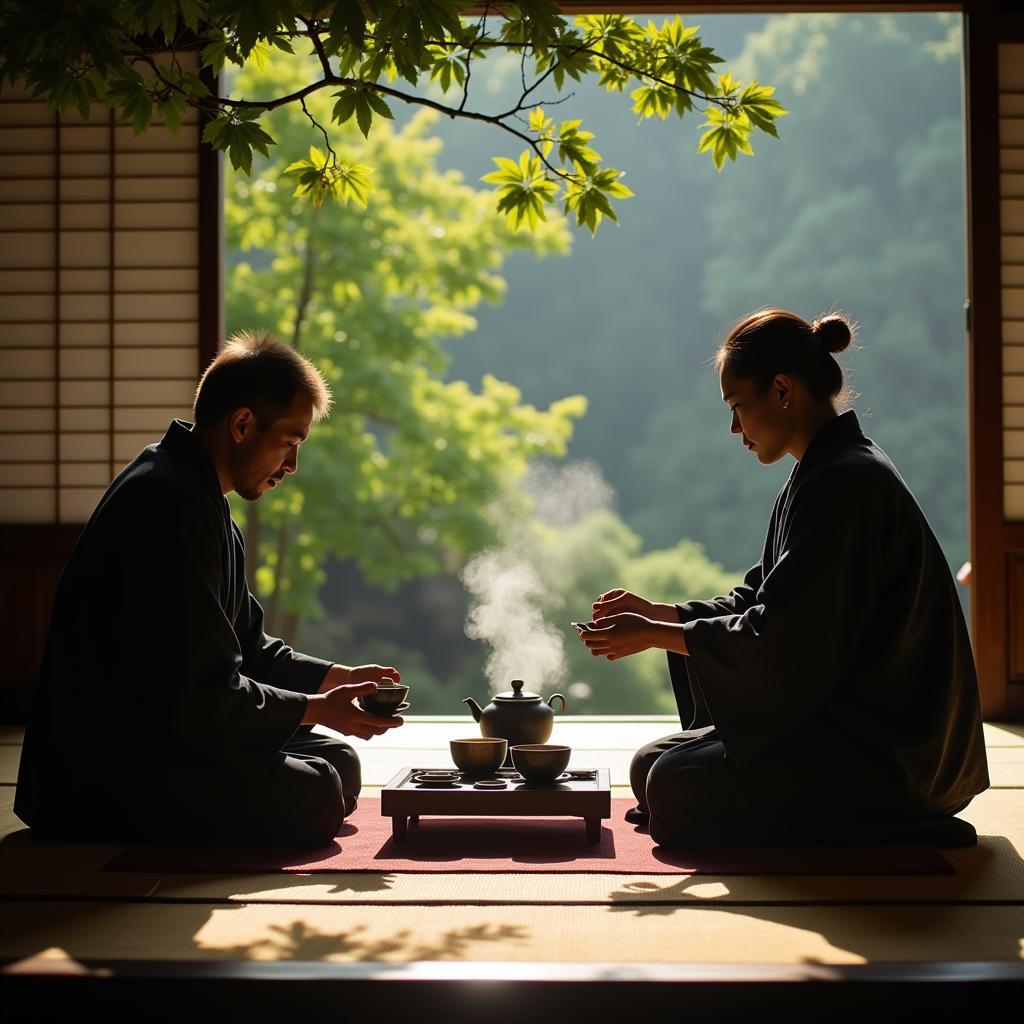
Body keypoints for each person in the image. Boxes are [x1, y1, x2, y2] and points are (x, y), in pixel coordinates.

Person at [577, 309, 989, 849]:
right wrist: (661, 615)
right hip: (846, 724)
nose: (734, 428)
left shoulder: (847, 481)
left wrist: (655, 636)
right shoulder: (822, 470)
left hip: (891, 751)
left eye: (736, 406)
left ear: (781, 390)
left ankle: (899, 820)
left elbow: (784, 640)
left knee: (674, 786)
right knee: (650, 767)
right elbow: (760, 599)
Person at [15, 330, 404, 848]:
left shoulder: (200, 495)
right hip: (104, 768)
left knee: (338, 762)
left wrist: (335, 679)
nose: (291, 467)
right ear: (243, 424)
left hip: (169, 734)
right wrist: (316, 707)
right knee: (314, 791)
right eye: (289, 443)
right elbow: (198, 694)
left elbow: (248, 648)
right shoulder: (166, 503)